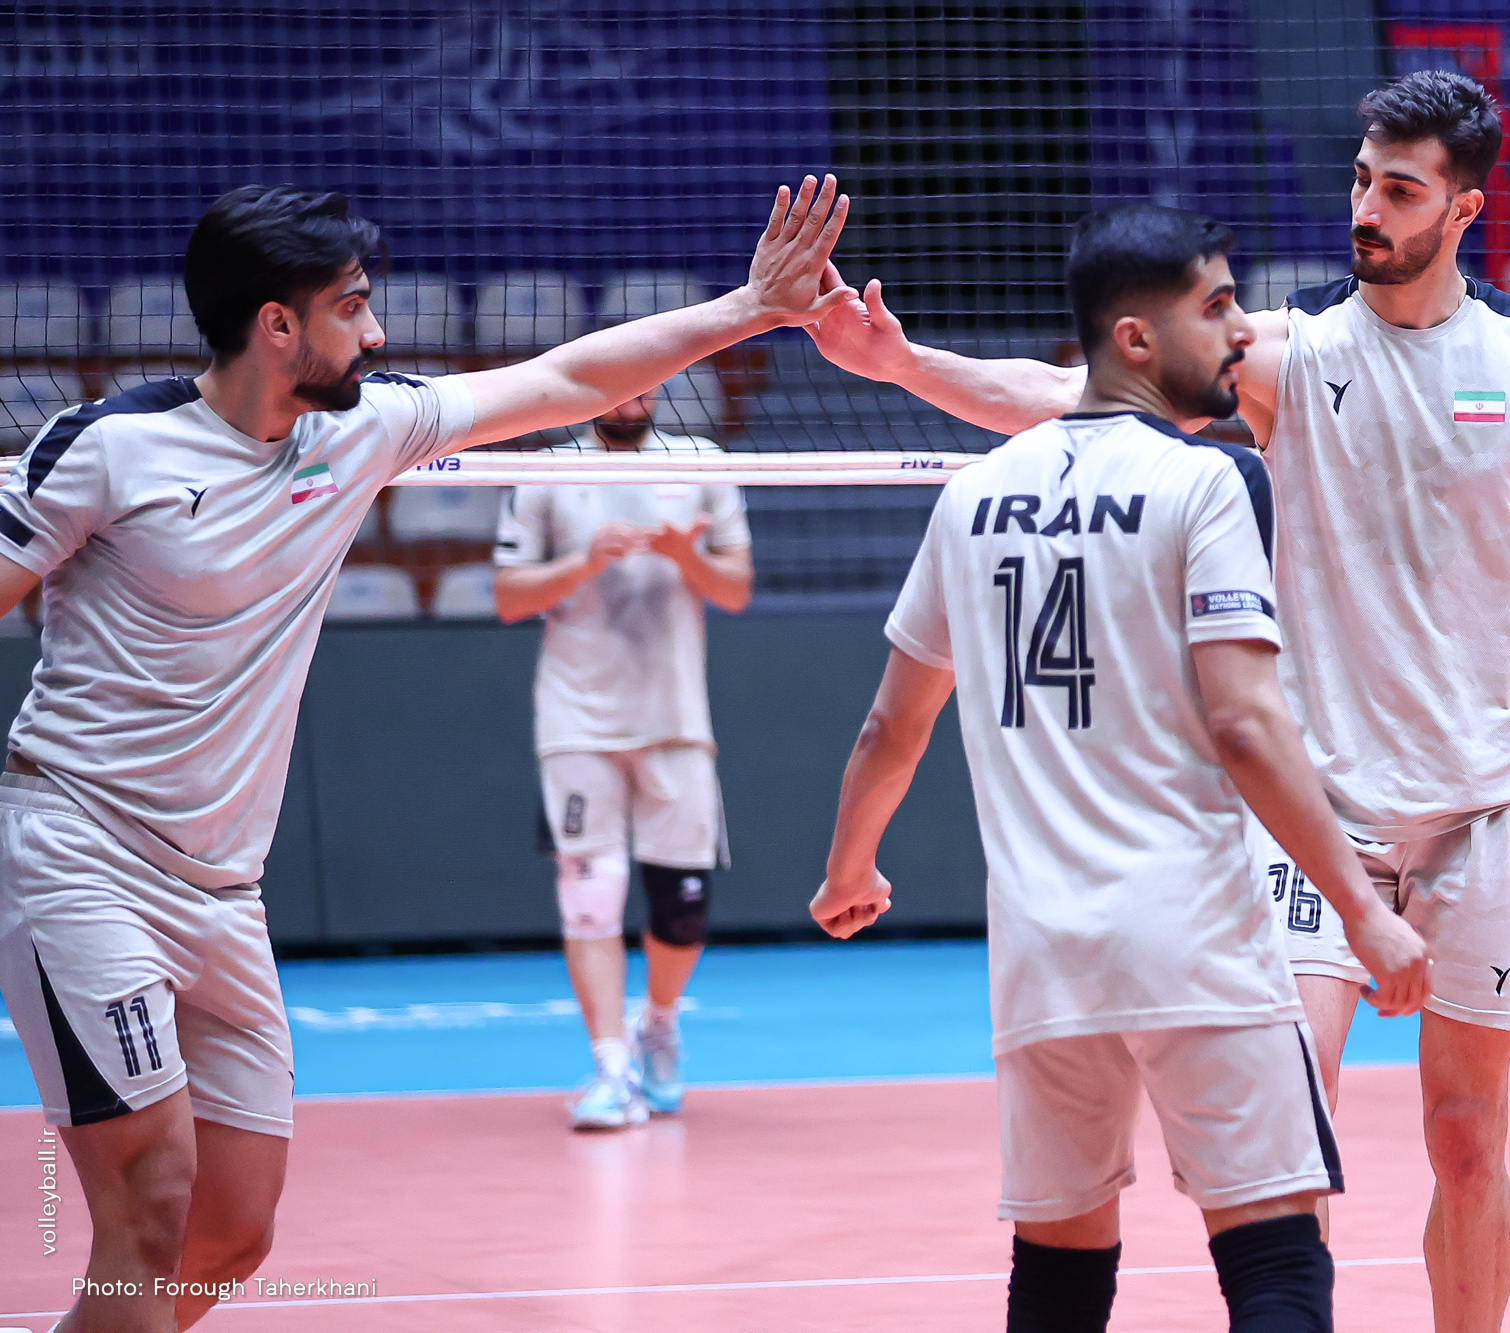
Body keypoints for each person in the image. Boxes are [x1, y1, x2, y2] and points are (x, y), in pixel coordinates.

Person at [805, 71, 1510, 1333]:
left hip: (1486, 807)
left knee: (1466, 1136)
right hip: (1321, 813)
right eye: (1360, 179)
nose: (1366, 208)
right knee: (1301, 1131)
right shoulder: (1289, 354)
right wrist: (902, 364)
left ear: (1463, 209)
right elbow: (1064, 395)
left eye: (1399, 190)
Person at [0, 176, 847, 1332]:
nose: (378, 332)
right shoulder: (109, 449)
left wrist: (751, 309)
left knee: (232, 1232)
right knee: (149, 1207)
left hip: (223, 888)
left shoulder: (363, 430)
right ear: (277, 325)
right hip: (81, 857)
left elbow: (565, 380)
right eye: (352, 306)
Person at [809, 202, 1432, 1333]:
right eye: (1217, 306)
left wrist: (848, 866)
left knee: (1057, 1274)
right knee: (1277, 1262)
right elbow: (1247, 727)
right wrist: (1361, 909)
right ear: (1136, 338)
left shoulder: (970, 496)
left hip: (1043, 957)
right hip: (1195, 938)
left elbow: (888, 728)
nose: (1240, 330)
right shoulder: (1207, 483)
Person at [493, 389, 753, 1129]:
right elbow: (508, 597)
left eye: (646, 383)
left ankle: (659, 1025)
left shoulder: (700, 463)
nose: (633, 395)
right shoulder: (547, 472)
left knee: (683, 907)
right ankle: (610, 1067)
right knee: (591, 898)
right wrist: (584, 561)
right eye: (620, 382)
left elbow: (736, 588)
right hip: (577, 720)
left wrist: (683, 555)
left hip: (675, 719)